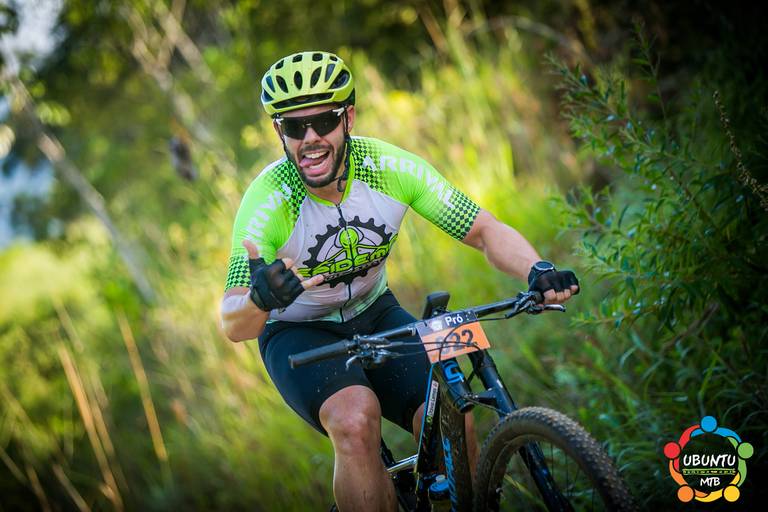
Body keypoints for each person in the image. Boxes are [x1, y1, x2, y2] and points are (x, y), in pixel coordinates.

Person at [220, 51, 579, 511]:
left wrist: (537, 268)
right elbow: (233, 323)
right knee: (355, 421)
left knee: (456, 410)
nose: (310, 139)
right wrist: (260, 299)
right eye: (294, 127)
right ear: (279, 132)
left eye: (324, 122)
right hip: (299, 332)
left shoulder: (387, 168)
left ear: (348, 118)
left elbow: (482, 230)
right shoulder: (269, 200)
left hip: (377, 311)